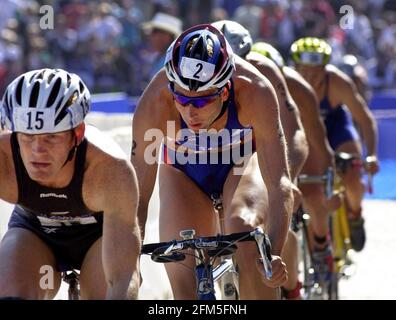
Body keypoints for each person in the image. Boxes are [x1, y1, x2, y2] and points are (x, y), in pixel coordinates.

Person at [131, 24, 293, 299]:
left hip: (239, 163)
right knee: (184, 280)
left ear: (226, 90)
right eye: (181, 98)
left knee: (245, 233)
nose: (190, 111)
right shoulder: (155, 104)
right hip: (183, 172)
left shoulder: (255, 91)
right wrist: (129, 261)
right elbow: (136, 200)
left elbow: (279, 182)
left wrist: (273, 255)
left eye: (203, 101)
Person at [211, 20, 332, 299]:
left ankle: (291, 289)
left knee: (278, 208)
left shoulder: (265, 75)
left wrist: (287, 180)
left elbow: (298, 134)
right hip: (225, 156)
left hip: (259, 153)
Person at [0, 68, 141, 300]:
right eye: (27, 136)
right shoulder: (4, 161)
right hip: (34, 232)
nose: (38, 150)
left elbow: (123, 275)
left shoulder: (111, 170)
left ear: (77, 133)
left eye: (51, 137)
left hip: (99, 236)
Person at [250, 41, 337, 285]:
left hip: (295, 149)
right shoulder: (244, 88)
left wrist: (327, 180)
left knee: (309, 195)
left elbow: (316, 141)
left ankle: (319, 249)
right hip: (261, 152)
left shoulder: (300, 90)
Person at [290, 37, 380, 253]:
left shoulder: (338, 83)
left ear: (326, 69)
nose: (311, 78)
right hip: (306, 131)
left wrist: (372, 155)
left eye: (317, 71)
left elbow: (365, 120)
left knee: (352, 169)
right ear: (295, 68)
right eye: (305, 71)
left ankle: (355, 214)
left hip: (336, 127)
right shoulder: (288, 84)